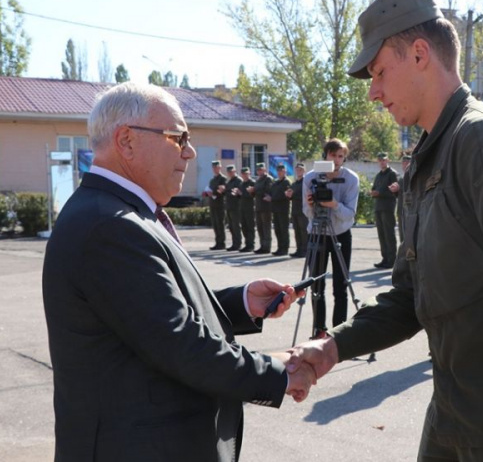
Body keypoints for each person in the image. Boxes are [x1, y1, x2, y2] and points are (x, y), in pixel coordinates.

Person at [288, 0, 483, 461]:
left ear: (420, 53)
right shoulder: (428, 157)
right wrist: (333, 348)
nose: (374, 91)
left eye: (380, 71)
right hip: (455, 412)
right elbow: (409, 298)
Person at [41, 82, 315, 462]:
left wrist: (240, 303)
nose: (189, 152)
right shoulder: (110, 224)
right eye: (177, 137)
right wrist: (278, 371)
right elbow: (180, 343)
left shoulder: (117, 212)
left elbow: (149, 314)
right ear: (127, 141)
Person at [303, 138, 360, 333]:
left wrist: (333, 204)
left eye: (340, 156)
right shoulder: (310, 177)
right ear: (325, 155)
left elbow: (349, 215)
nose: (336, 159)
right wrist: (311, 205)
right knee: (316, 285)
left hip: (341, 234)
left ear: (344, 158)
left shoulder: (351, 179)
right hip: (317, 233)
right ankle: (319, 330)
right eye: (332, 155)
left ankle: (338, 333)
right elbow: (306, 213)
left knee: (341, 287)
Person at [371, 152, 398, 268]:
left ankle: (392, 260)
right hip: (379, 207)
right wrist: (373, 192)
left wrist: (380, 193)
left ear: (388, 161)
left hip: (387, 207)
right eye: (380, 160)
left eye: (384, 160)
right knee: (381, 234)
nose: (382, 162)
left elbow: (395, 191)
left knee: (389, 234)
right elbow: (374, 188)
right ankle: (385, 258)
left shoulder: (392, 174)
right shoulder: (379, 175)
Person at [250, 162, 273, 254]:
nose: (259, 171)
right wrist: (252, 192)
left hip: (266, 207)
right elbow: (255, 194)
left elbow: (267, 191)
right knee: (260, 227)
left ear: (265, 169)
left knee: (266, 227)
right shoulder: (258, 180)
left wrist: (255, 190)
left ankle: (267, 247)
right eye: (258, 170)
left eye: (261, 169)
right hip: (258, 206)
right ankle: (262, 245)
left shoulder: (268, 179)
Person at [287, 162, 308, 258]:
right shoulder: (294, 183)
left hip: (303, 211)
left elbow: (305, 195)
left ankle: (305, 250)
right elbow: (291, 196)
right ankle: (298, 249)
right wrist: (289, 195)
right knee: (297, 232)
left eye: (301, 169)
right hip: (295, 210)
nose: (299, 171)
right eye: (297, 169)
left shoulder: (306, 182)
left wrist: (293, 194)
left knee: (304, 231)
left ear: (304, 171)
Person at [389, 153, 412, 242]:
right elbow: (399, 194)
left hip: (409, 211)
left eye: (407, 162)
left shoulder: (413, 176)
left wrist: (399, 187)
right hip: (401, 210)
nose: (405, 164)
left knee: (408, 236)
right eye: (403, 162)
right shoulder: (402, 178)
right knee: (402, 236)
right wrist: (395, 190)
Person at [270, 163, 291, 256]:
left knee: (283, 230)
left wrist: (272, 198)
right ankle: (280, 247)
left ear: (285, 171)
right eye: (278, 171)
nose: (279, 172)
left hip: (283, 209)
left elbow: (284, 195)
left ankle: (284, 249)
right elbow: (272, 192)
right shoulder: (276, 182)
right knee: (277, 230)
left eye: (281, 171)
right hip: (275, 209)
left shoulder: (286, 182)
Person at [206, 160, 227, 250]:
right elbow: (210, 189)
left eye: (217, 167)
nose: (215, 169)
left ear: (220, 168)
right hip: (213, 203)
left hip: (220, 204)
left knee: (220, 223)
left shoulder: (223, 179)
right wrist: (208, 193)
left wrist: (214, 193)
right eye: (214, 167)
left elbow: (222, 191)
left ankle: (221, 243)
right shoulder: (212, 180)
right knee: (215, 224)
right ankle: (217, 242)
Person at [224, 164, 243, 251]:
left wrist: (236, 192)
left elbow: (240, 192)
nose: (230, 173)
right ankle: (234, 243)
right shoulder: (229, 181)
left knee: (236, 226)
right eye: (229, 172)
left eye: (232, 171)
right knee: (231, 226)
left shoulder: (238, 180)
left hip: (236, 206)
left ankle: (237, 244)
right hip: (229, 206)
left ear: (235, 171)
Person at [238, 166, 256, 252]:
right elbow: (240, 196)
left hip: (250, 208)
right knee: (244, 227)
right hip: (242, 207)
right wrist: (238, 193)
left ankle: (251, 244)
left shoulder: (252, 182)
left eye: (247, 173)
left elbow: (252, 195)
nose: (245, 175)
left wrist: (242, 193)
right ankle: (247, 244)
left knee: (250, 227)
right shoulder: (241, 184)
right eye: (243, 174)